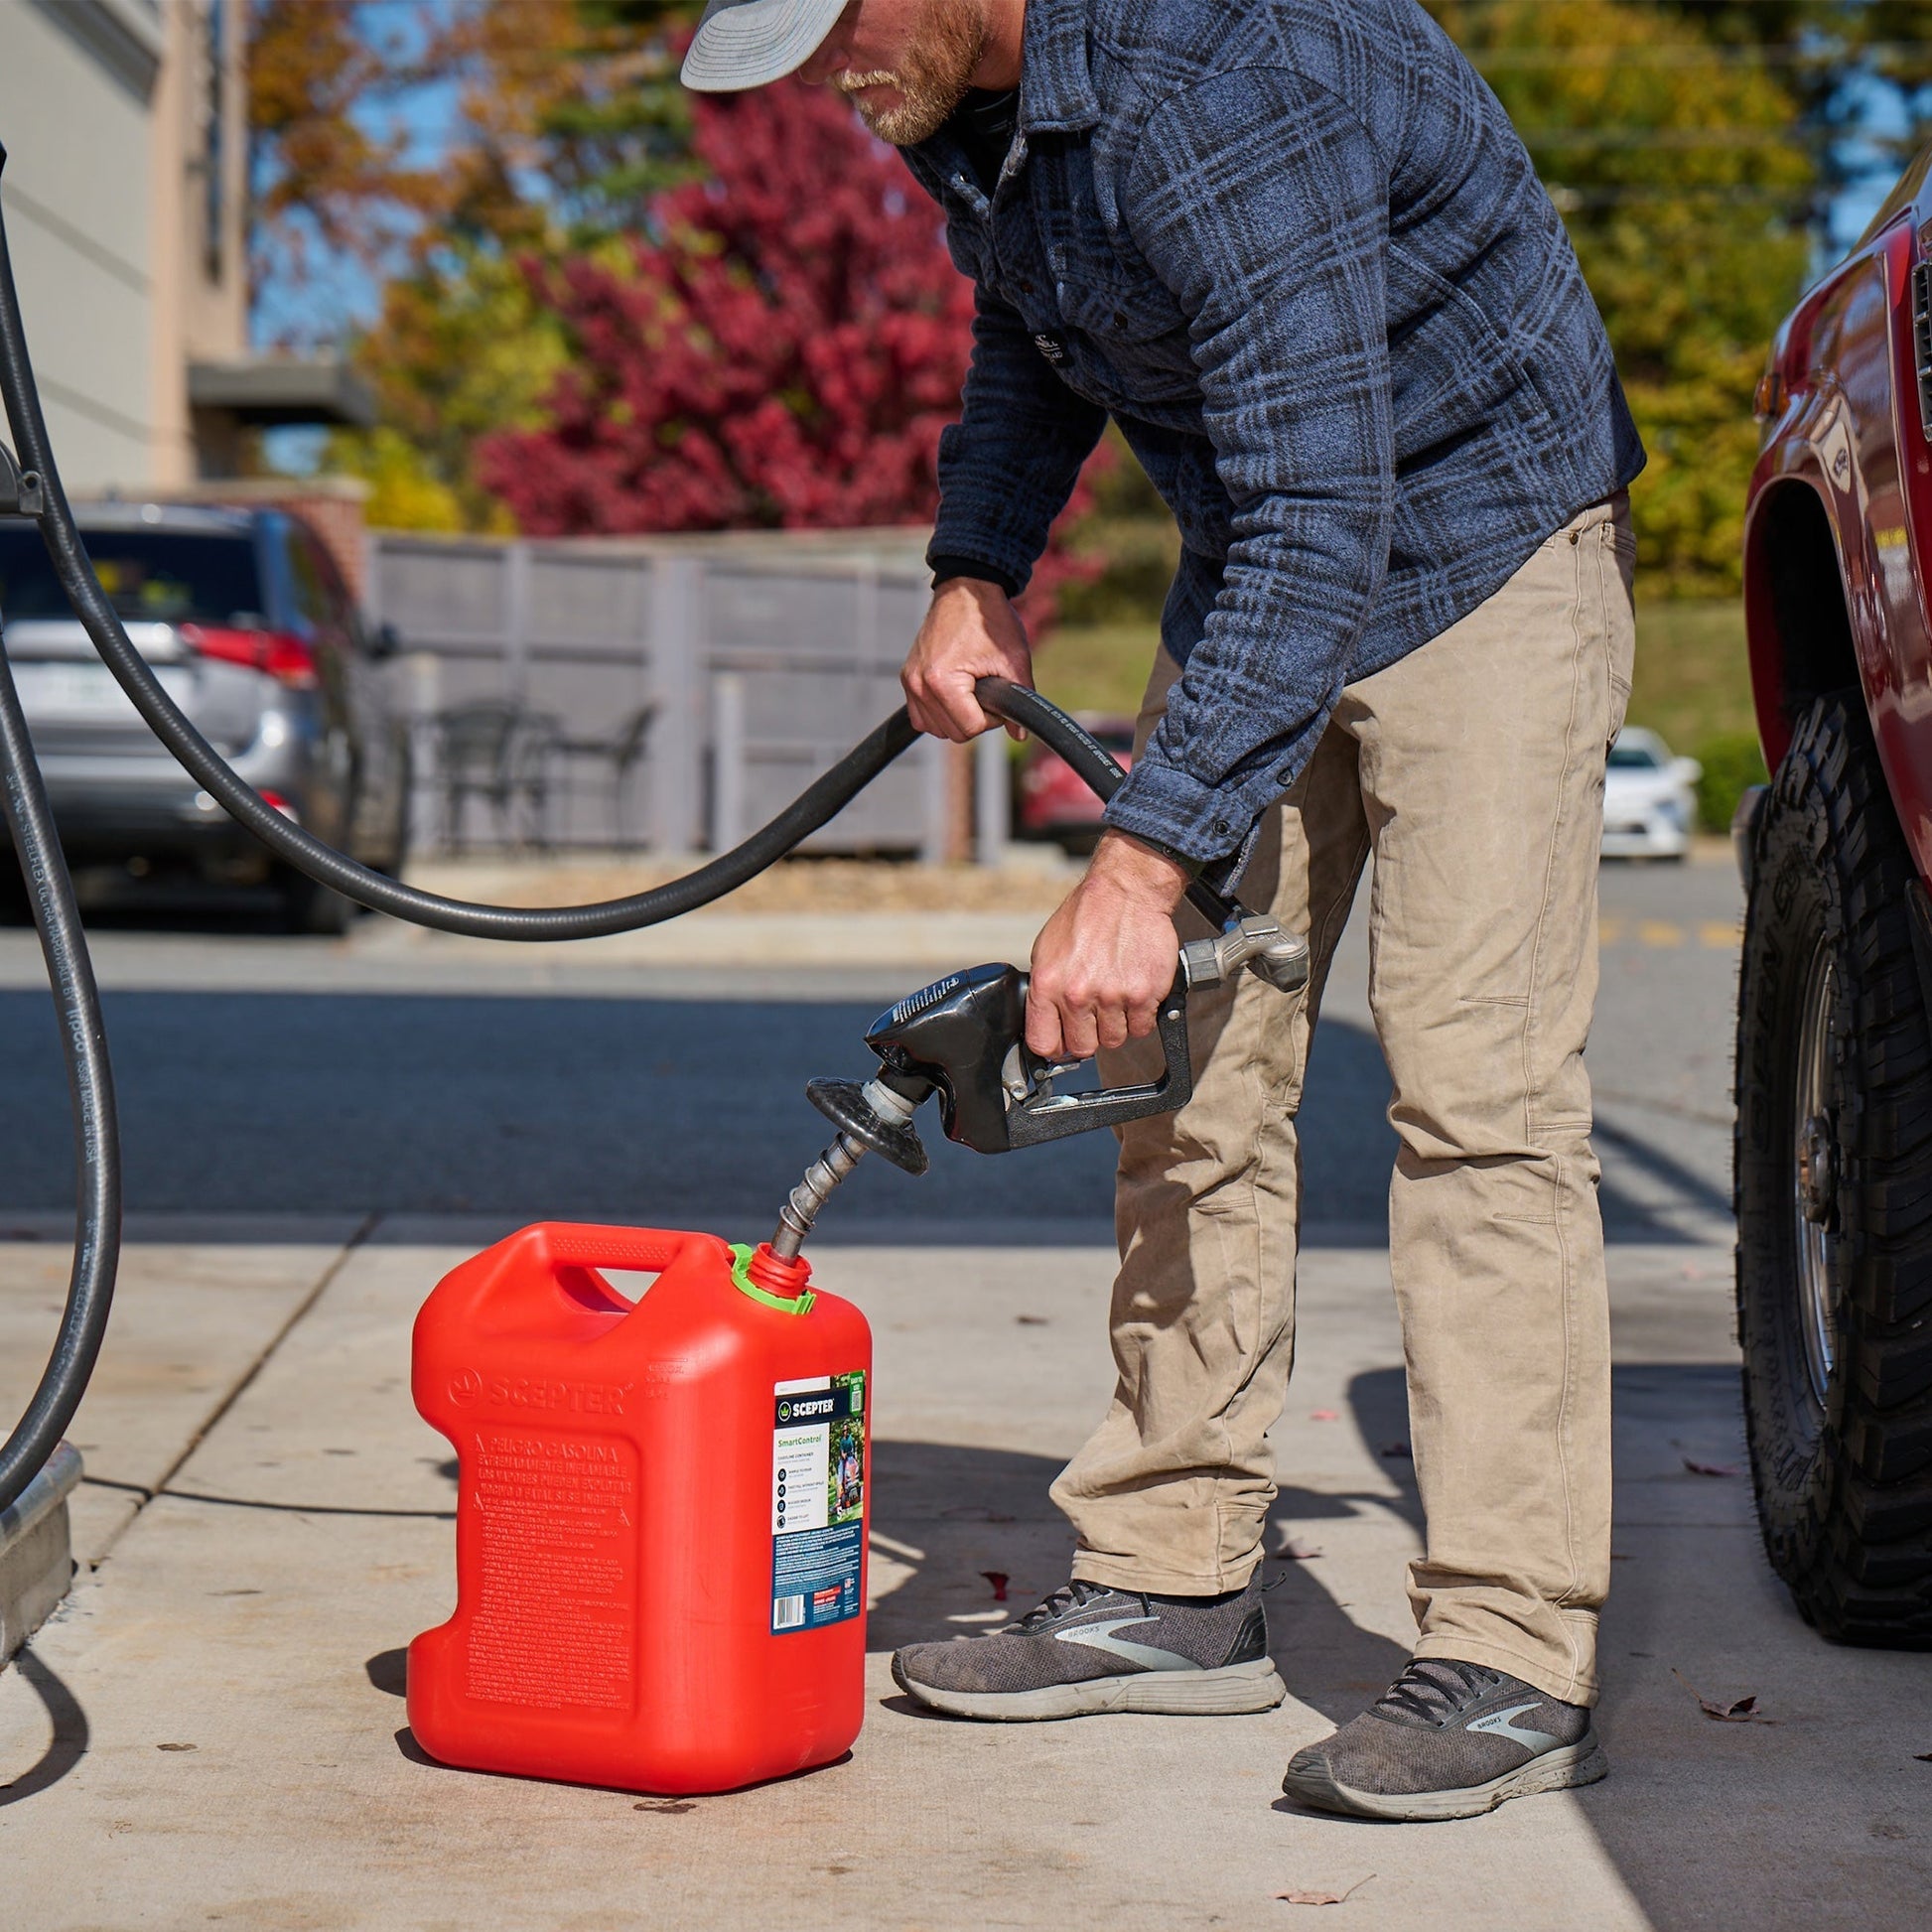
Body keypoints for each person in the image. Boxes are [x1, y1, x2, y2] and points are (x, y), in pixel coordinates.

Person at [683, 0, 1642, 1822]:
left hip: (1483, 545)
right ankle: (1172, 1578)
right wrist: (976, 566)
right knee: (1187, 1076)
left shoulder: (1225, 77)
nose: (824, 81)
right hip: (1280, 538)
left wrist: (1139, 864)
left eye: (829, 30)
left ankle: (1516, 1649)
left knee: (1476, 1103)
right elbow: (1037, 341)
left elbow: (1322, 497)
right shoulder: (977, 91)